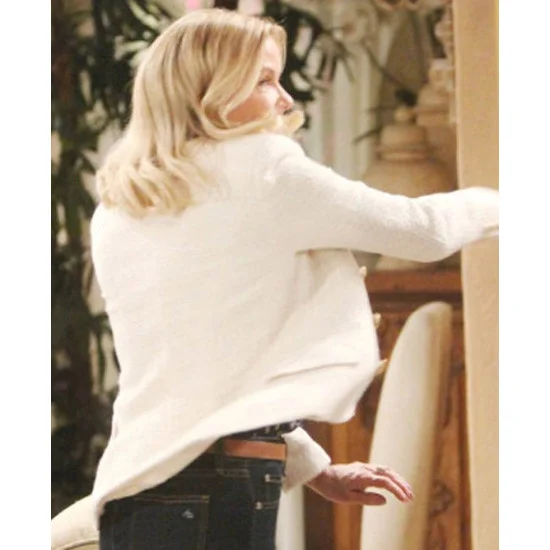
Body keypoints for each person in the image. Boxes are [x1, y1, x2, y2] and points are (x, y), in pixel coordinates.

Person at [90, 7, 498, 550]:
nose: (284, 99)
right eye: (264, 80)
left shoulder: (123, 202)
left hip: (136, 493)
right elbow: (423, 231)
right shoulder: (264, 168)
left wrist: (315, 467)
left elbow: (196, 376)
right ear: (209, 88)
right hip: (221, 490)